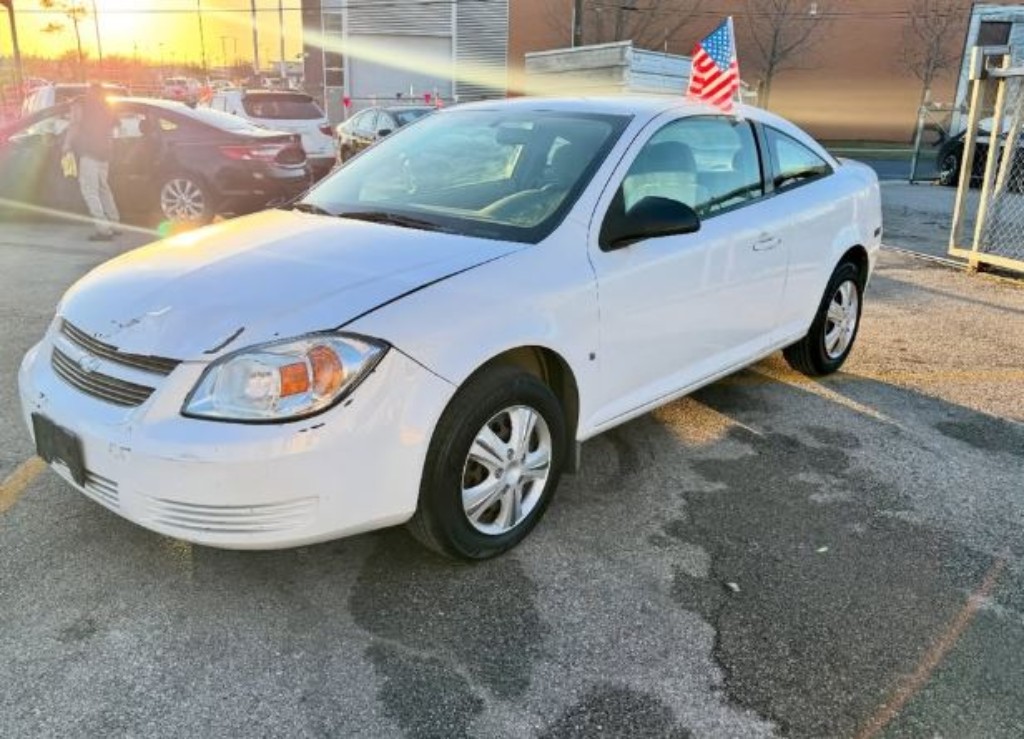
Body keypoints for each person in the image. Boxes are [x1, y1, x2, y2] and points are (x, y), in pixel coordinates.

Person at [65, 83, 120, 241]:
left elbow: (74, 124)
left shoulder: (81, 104)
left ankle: (103, 230)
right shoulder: (107, 107)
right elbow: (113, 131)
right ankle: (115, 223)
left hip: (89, 153)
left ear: (89, 92)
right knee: (103, 188)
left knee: (90, 191)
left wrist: (67, 144)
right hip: (105, 154)